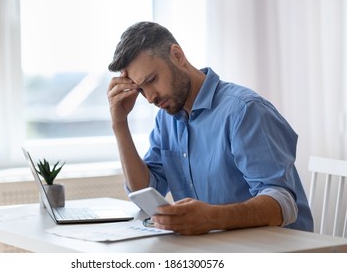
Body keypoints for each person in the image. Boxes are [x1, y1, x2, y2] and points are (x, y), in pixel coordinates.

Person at [107, 21, 313, 235]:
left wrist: (212, 218)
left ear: (177, 56)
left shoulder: (244, 110)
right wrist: (119, 123)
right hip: (215, 248)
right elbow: (147, 193)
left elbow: (284, 204)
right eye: (141, 90)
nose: (150, 97)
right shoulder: (166, 120)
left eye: (152, 80)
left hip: (278, 250)